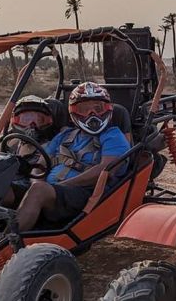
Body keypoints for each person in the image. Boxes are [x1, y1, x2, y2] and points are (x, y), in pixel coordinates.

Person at [15, 82, 131, 231]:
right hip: (51, 191)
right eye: (84, 109)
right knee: (0, 189)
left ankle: (4, 247)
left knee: (39, 191)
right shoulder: (65, 134)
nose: (92, 114)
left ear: (107, 109)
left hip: (84, 194)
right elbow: (40, 165)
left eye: (97, 108)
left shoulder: (113, 135)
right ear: (74, 112)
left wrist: (53, 187)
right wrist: (35, 182)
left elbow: (105, 171)